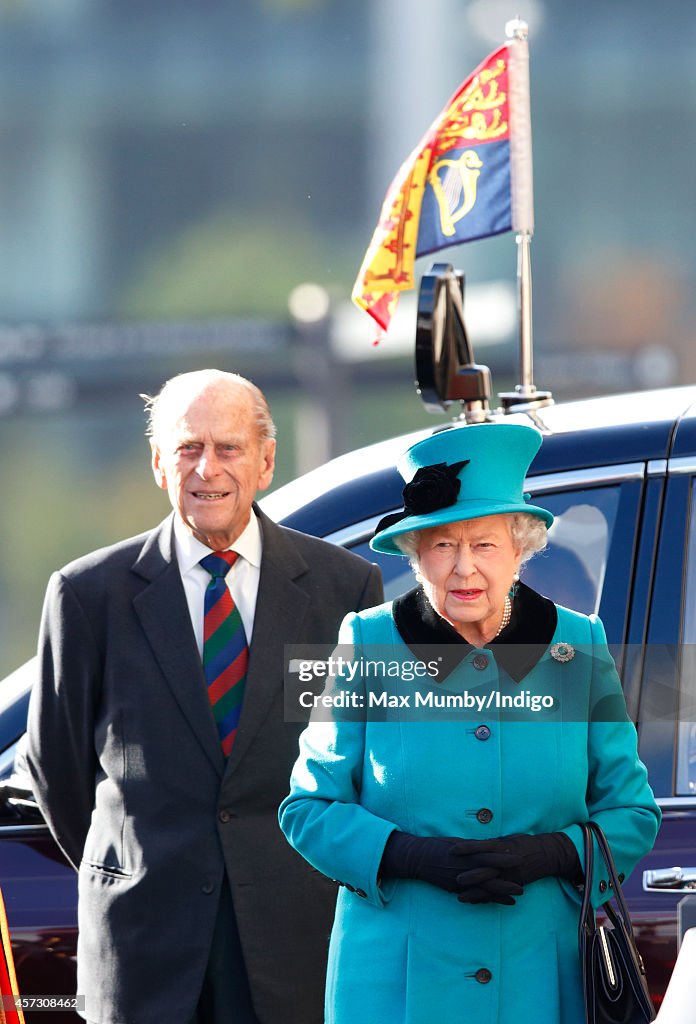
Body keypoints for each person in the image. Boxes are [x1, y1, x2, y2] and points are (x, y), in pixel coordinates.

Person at [25, 369, 383, 1024]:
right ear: (160, 464)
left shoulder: (346, 591)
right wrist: (139, 865)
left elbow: (366, 764)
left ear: (267, 461)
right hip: (145, 952)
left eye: (228, 447)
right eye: (188, 448)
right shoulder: (87, 596)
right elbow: (55, 767)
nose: (206, 468)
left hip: (293, 949)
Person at [279, 421, 661, 1024]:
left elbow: (633, 812)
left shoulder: (577, 647)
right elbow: (308, 808)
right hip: (398, 988)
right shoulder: (369, 643)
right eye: (441, 546)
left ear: (520, 550)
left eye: (483, 545)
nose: (463, 570)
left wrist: (555, 853)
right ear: (416, 554)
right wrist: (406, 855)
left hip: (543, 982)